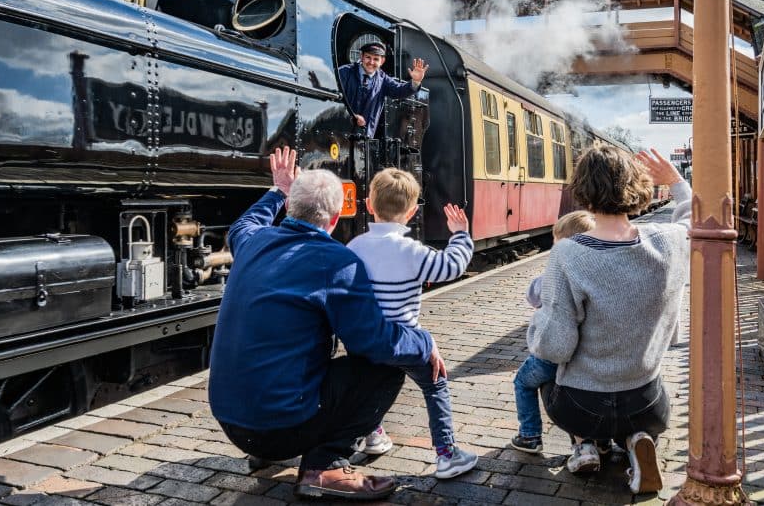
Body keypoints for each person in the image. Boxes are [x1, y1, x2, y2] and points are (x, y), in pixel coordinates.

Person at [209, 147, 444, 501]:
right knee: (386, 369)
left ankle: (268, 448)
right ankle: (325, 466)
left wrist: (278, 190)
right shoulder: (337, 261)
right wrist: (423, 343)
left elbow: (243, 223)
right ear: (335, 220)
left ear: (290, 208)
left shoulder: (253, 241)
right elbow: (374, 342)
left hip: (230, 420)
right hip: (279, 430)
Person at [528, 146, 690, 494]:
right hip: (648, 402)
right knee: (634, 413)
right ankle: (636, 440)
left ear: (582, 188)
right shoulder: (670, 241)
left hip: (582, 407)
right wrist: (676, 181)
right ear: (639, 185)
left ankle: (585, 443)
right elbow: (697, 220)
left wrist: (537, 325)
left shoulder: (567, 253)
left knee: (540, 374)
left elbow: (555, 346)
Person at [346, 168, 479, 479]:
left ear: (369, 205)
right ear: (410, 212)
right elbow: (451, 266)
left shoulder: (355, 247)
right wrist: (460, 234)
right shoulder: (412, 251)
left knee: (369, 384)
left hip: (366, 339)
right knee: (435, 384)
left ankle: (373, 434)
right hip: (403, 340)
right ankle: (447, 455)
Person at [509, 210, 596, 455]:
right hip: (586, 355)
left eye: (555, 241)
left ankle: (529, 435)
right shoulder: (595, 271)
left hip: (552, 354)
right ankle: (587, 442)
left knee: (523, 382)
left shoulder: (555, 273)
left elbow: (533, 296)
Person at [338, 42, 428, 137]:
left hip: (364, 137)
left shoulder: (383, 79)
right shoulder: (344, 72)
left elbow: (399, 90)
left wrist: (415, 81)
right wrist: (350, 115)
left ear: (382, 61)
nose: (371, 62)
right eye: (368, 57)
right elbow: (334, 97)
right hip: (340, 131)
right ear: (361, 56)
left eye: (376, 59)